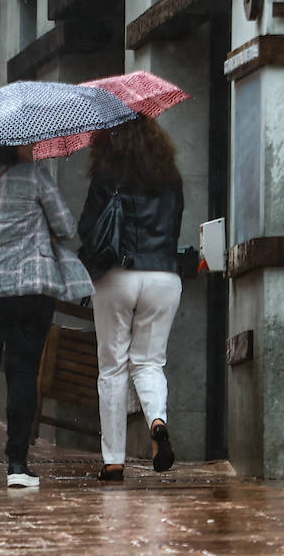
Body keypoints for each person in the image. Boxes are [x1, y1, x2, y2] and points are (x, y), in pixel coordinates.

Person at [0, 144, 92, 488]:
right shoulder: (35, 177)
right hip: (26, 285)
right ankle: (17, 464)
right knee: (22, 372)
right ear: (12, 144)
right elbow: (66, 227)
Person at [77, 117, 185, 481]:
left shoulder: (108, 177)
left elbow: (87, 229)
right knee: (150, 362)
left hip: (118, 276)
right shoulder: (171, 178)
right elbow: (174, 227)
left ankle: (113, 460)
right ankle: (157, 420)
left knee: (113, 366)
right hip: (164, 276)